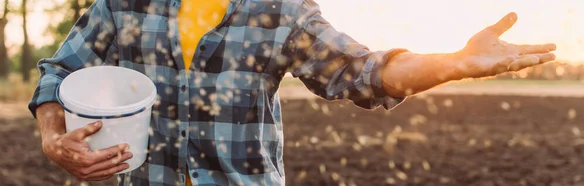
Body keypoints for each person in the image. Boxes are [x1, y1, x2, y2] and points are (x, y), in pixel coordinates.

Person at [30, 0, 556, 185]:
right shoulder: (124, 3)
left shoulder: (280, 8)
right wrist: (55, 137)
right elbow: (58, 71)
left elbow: (364, 72)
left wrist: (455, 63)